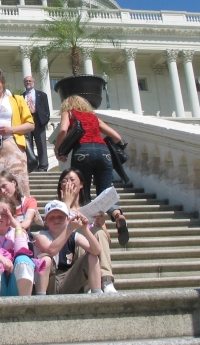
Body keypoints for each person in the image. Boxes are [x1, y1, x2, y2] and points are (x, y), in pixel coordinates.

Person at [54, 94, 129, 246]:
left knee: (83, 192)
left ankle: (95, 228)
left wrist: (58, 149)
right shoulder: (93, 117)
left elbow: (62, 130)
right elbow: (116, 137)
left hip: (83, 152)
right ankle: (118, 216)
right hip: (104, 152)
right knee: (105, 191)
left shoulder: (69, 113)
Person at [57, 168, 118, 293]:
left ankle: (106, 280)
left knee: (99, 232)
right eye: (64, 181)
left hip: (92, 251)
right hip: (72, 256)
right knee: (78, 236)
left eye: (72, 180)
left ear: (81, 185)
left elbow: (107, 238)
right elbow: (58, 234)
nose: (68, 183)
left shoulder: (92, 208)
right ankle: (88, 283)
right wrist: (66, 204)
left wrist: (101, 224)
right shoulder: (56, 208)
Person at [0, 69, 35, 197]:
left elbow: (31, 125)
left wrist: (11, 130)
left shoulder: (17, 100)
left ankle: (26, 213)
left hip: (12, 144)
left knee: (19, 182)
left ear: (3, 83)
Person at [33, 200, 103, 295]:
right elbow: (51, 250)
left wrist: (84, 228)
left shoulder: (74, 236)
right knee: (46, 259)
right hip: (49, 281)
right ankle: (40, 299)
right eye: (51, 217)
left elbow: (97, 251)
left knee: (92, 257)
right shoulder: (39, 235)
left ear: (67, 219)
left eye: (60, 217)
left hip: (68, 280)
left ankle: (97, 295)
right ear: (46, 222)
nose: (56, 220)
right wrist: (69, 228)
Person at [0, 196, 38, 297]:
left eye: (4, 215)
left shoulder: (18, 232)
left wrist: (18, 226)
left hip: (15, 283)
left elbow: (22, 251)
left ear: (12, 217)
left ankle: (26, 304)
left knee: (24, 259)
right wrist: (0, 258)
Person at [23, 76, 50, 172]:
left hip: (38, 121)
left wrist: (45, 120)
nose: (28, 82)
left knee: (41, 144)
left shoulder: (41, 95)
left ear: (33, 82)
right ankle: (32, 166)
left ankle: (43, 166)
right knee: (28, 145)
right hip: (27, 121)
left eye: (30, 81)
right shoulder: (21, 96)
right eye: (26, 81)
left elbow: (46, 109)